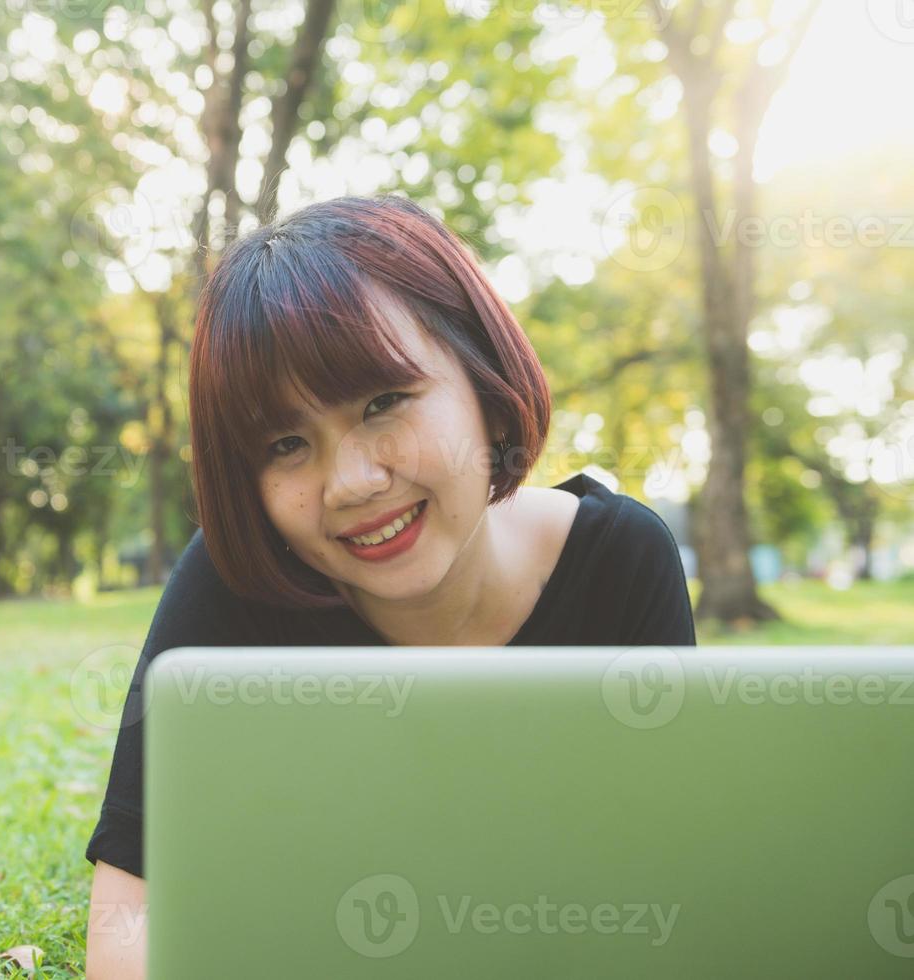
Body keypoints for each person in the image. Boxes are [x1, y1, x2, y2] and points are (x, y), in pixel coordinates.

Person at [82, 194, 696, 979]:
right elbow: (130, 908)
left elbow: (667, 887)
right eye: (286, 443)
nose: (351, 482)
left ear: (483, 383)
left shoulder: (620, 562)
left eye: (383, 402)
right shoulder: (235, 586)